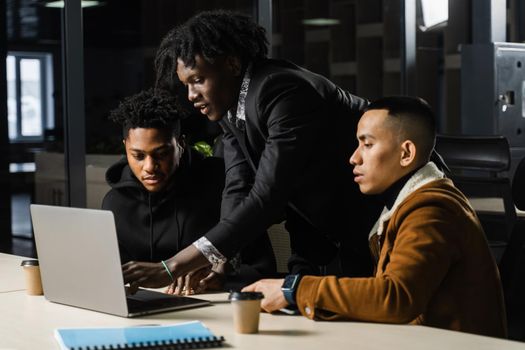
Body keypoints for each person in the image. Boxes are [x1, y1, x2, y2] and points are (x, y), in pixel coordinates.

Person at [121, 9, 381, 290]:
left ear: (232, 64)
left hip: (371, 230)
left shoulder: (281, 90)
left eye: (197, 80)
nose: (191, 95)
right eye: (186, 85)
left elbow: (267, 195)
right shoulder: (233, 110)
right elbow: (237, 186)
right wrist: (221, 264)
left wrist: (173, 266)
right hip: (318, 238)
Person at [242, 96, 507, 338]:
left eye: (367, 144)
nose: (353, 158)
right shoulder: (409, 204)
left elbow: (396, 298)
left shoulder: (431, 210)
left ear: (406, 153)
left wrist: (294, 289)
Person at [102, 88, 276, 293]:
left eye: (161, 154)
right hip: (144, 313)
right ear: (125, 149)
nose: (149, 167)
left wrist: (221, 276)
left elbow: (262, 268)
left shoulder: (222, 187)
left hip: (212, 307)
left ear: (181, 144)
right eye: (138, 156)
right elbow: (113, 279)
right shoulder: (116, 203)